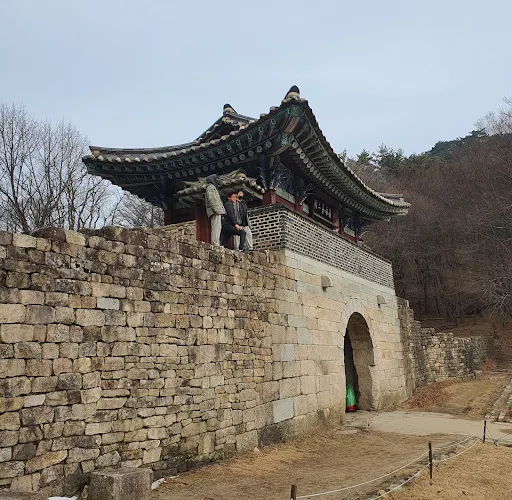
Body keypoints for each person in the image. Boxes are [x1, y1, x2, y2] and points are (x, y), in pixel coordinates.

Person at [204, 174, 225, 246]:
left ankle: (216, 242)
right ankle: (215, 243)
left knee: (218, 227)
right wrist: (216, 210)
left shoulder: (212, 188)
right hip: (215, 211)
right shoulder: (210, 187)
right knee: (216, 227)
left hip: (216, 211)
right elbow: (212, 199)